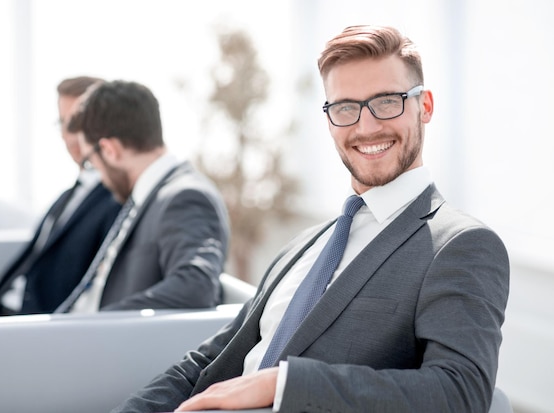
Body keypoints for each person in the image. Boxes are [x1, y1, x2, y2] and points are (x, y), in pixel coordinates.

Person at [110, 25, 510, 413]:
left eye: (388, 101)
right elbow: (207, 362)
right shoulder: (304, 245)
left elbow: (460, 392)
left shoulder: (461, 244)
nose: (365, 126)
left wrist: (280, 384)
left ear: (424, 106)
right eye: (345, 108)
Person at [0, 76, 122, 413]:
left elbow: (79, 296)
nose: (70, 136)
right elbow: (21, 272)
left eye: (78, 123)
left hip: (16, 341)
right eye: (63, 123)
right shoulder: (67, 197)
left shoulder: (115, 201)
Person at [52, 79, 230, 313]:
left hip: (105, 342)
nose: (98, 175)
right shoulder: (148, 196)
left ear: (109, 150)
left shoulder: (185, 197)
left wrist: (99, 322)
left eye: (90, 161)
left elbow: (196, 287)